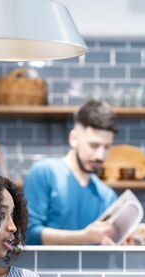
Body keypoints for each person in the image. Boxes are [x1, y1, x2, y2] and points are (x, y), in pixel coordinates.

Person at [24, 99, 119, 245]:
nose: (100, 155)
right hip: (43, 268)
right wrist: (83, 237)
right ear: (73, 138)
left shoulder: (107, 196)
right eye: (94, 145)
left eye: (107, 147)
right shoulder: (44, 173)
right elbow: (28, 234)